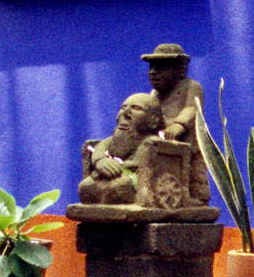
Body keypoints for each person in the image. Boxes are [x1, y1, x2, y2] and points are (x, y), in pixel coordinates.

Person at [141, 43, 210, 205]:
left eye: (161, 68)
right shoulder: (155, 94)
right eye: (152, 68)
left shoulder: (192, 87)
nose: (153, 73)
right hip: (165, 142)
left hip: (189, 142)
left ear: (180, 70)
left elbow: (192, 108)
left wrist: (179, 125)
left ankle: (198, 198)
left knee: (195, 172)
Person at [79, 93, 164, 204]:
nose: (126, 113)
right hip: (108, 176)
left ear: (154, 120)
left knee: (117, 187)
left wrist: (119, 166)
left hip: (131, 179)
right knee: (85, 187)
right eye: (123, 108)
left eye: (136, 108)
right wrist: (100, 161)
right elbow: (99, 149)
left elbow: (144, 164)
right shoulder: (115, 139)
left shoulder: (153, 142)